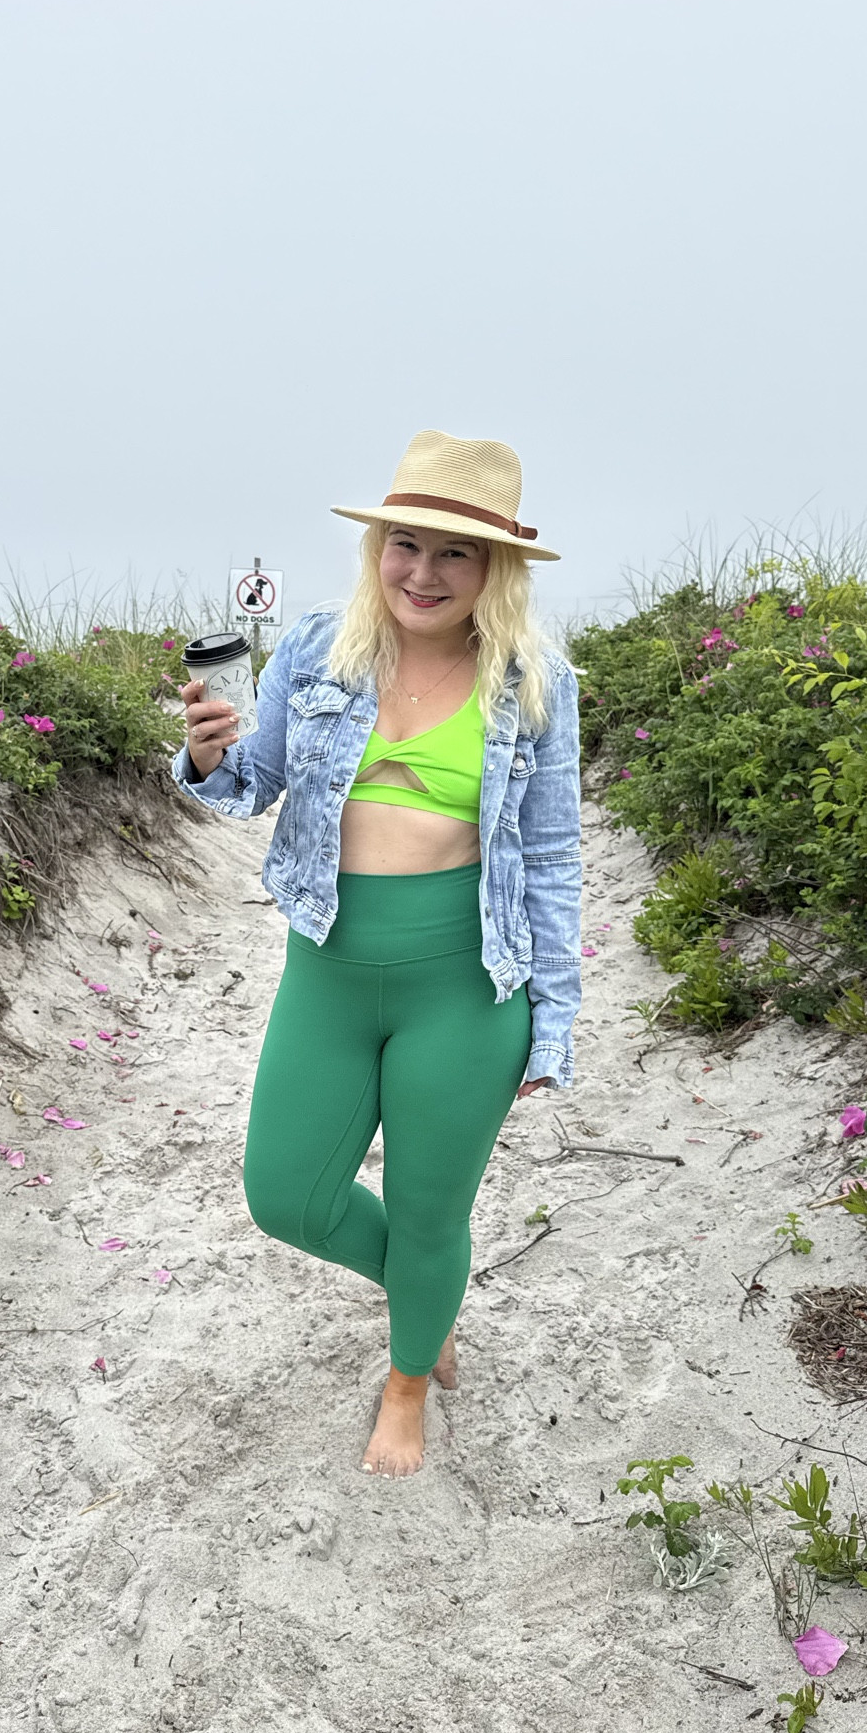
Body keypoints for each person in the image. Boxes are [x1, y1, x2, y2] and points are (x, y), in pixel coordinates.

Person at [174, 429, 582, 1477]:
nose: (424, 572)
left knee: (430, 1206)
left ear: (494, 570)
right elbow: (248, 785)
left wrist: (555, 1019)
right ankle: (424, 1292)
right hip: (331, 964)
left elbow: (550, 855)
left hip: (465, 978)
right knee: (287, 1193)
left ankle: (410, 1380)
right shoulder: (318, 646)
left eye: (455, 552)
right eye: (407, 543)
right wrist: (208, 753)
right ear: (379, 548)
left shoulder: (535, 679)